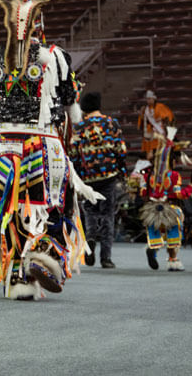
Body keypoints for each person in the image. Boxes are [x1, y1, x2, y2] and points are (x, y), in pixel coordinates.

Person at [0, 0, 98, 300]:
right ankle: (45, 257)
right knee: (53, 205)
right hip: (42, 144)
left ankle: (17, 276)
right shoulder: (54, 57)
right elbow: (71, 107)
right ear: (39, 24)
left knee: (12, 209)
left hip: (3, 146)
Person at [67, 92, 128, 268]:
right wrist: (121, 171)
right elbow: (121, 150)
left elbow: (73, 154)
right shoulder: (111, 123)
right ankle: (106, 258)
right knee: (108, 215)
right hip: (109, 176)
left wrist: (78, 176)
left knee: (90, 213)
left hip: (88, 178)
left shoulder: (79, 127)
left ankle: (90, 241)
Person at [138, 129, 188, 271]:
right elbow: (178, 194)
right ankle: (173, 259)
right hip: (170, 209)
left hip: (151, 210)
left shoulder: (146, 175)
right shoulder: (174, 175)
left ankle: (152, 250)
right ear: (171, 160)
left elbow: (142, 192)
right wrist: (189, 190)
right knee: (174, 228)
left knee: (155, 231)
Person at [137, 90, 174, 158]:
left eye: (149, 99)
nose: (148, 101)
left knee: (160, 152)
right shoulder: (145, 109)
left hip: (160, 133)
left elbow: (169, 116)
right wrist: (141, 115)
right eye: (147, 99)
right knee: (150, 153)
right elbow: (143, 122)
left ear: (154, 98)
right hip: (150, 133)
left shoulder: (160, 107)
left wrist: (162, 118)